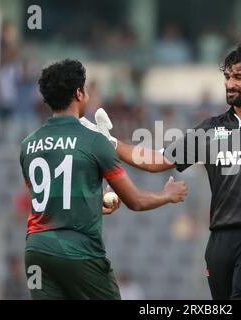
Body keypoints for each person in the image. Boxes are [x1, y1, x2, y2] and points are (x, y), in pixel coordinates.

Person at [83, 44, 241, 299]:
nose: (230, 84)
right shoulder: (211, 129)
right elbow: (157, 160)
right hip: (220, 241)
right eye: (227, 77)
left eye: (238, 77)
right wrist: (111, 144)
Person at [19, 59, 187, 300]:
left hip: (36, 250)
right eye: (86, 90)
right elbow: (136, 201)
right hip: (78, 250)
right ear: (79, 93)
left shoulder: (28, 145)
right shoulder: (94, 140)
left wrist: (93, 205)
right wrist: (168, 195)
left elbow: (48, 202)